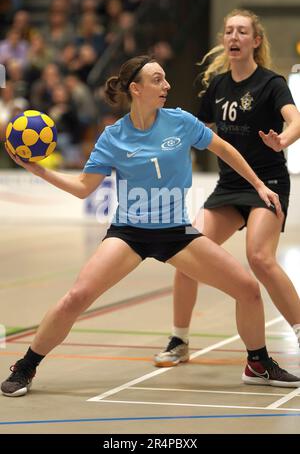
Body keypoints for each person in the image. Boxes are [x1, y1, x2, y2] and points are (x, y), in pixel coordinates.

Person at [2, 54, 300, 398]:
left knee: (247, 289)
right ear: (136, 88)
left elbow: (225, 149)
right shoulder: (113, 136)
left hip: (176, 233)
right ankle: (25, 366)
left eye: (165, 78)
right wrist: (40, 171)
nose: (167, 85)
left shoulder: (181, 121)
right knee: (76, 297)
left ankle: (257, 362)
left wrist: (259, 185)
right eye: (157, 79)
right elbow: (84, 187)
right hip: (130, 233)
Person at [154, 9, 300, 369]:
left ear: (256, 41)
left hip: (267, 184)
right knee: (187, 255)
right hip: (229, 185)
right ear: (224, 40)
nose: (234, 36)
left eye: (242, 31)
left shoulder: (271, 83)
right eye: (229, 31)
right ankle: (179, 340)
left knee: (260, 259)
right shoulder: (217, 86)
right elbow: (198, 134)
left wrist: (283, 140)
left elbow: (296, 121)